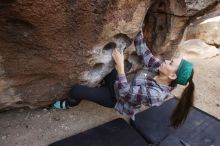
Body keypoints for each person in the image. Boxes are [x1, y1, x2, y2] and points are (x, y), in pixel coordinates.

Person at [53, 30, 195, 128]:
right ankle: (102, 86)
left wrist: (120, 67)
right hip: (119, 85)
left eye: (171, 63)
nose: (167, 60)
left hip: (117, 98)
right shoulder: (161, 70)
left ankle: (70, 103)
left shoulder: (156, 94)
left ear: (172, 76)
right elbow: (146, 55)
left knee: (76, 90)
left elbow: (124, 93)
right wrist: (137, 29)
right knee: (109, 66)